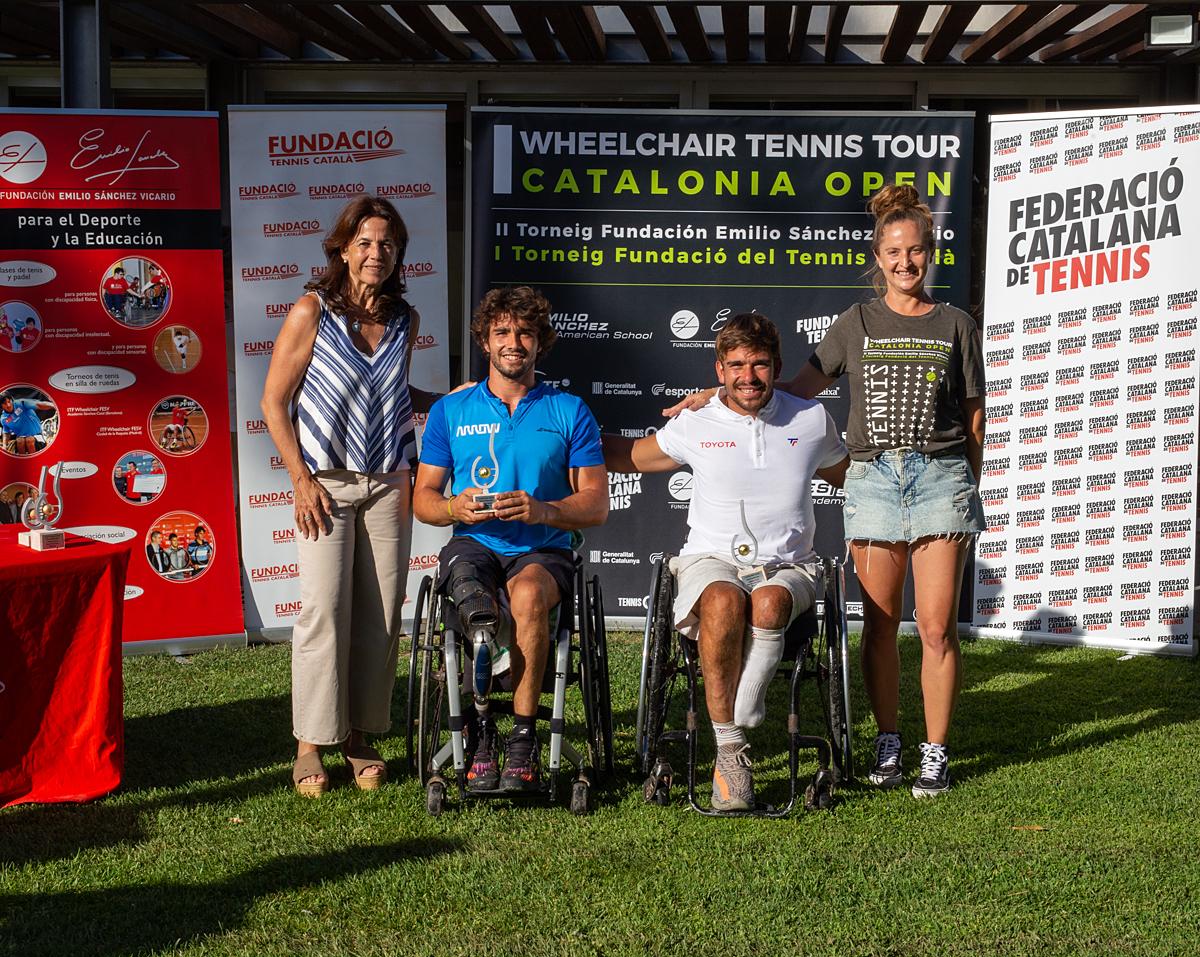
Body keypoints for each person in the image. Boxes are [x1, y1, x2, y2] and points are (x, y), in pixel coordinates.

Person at [667, 185, 985, 798]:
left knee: (939, 627)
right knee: (882, 625)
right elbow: (788, 389)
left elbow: (973, 415)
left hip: (942, 479)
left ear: (930, 253)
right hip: (873, 481)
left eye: (915, 251)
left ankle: (935, 752)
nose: (905, 263)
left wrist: (968, 483)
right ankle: (889, 744)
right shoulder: (855, 323)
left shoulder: (956, 324)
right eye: (894, 252)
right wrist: (720, 396)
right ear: (878, 256)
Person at [605, 313, 848, 810]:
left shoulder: (811, 418)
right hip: (710, 560)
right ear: (719, 370)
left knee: (769, 601)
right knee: (721, 601)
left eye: (759, 364)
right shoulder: (695, 423)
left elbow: (851, 478)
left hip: (789, 566)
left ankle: (746, 701)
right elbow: (632, 456)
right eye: (736, 365)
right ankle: (731, 750)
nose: (748, 376)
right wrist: (560, 437)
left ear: (776, 367)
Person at [261, 194, 437, 798]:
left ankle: (362, 736)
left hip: (390, 482)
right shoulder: (312, 311)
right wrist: (300, 479)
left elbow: (391, 393)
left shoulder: (404, 321)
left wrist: (452, 401)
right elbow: (273, 403)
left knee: (384, 613)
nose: (375, 253)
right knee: (323, 610)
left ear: (398, 255)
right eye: (364, 242)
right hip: (326, 483)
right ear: (341, 248)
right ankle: (311, 744)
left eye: (387, 244)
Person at [413, 286, 608, 793]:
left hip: (543, 547)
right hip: (474, 543)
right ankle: (478, 731)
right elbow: (424, 499)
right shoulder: (451, 412)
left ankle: (521, 740)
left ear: (541, 342)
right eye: (502, 331)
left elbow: (596, 504)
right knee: (475, 603)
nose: (513, 342)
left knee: (527, 597)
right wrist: (454, 507)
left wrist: (544, 508)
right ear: (484, 341)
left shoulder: (569, 409)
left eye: (524, 332)